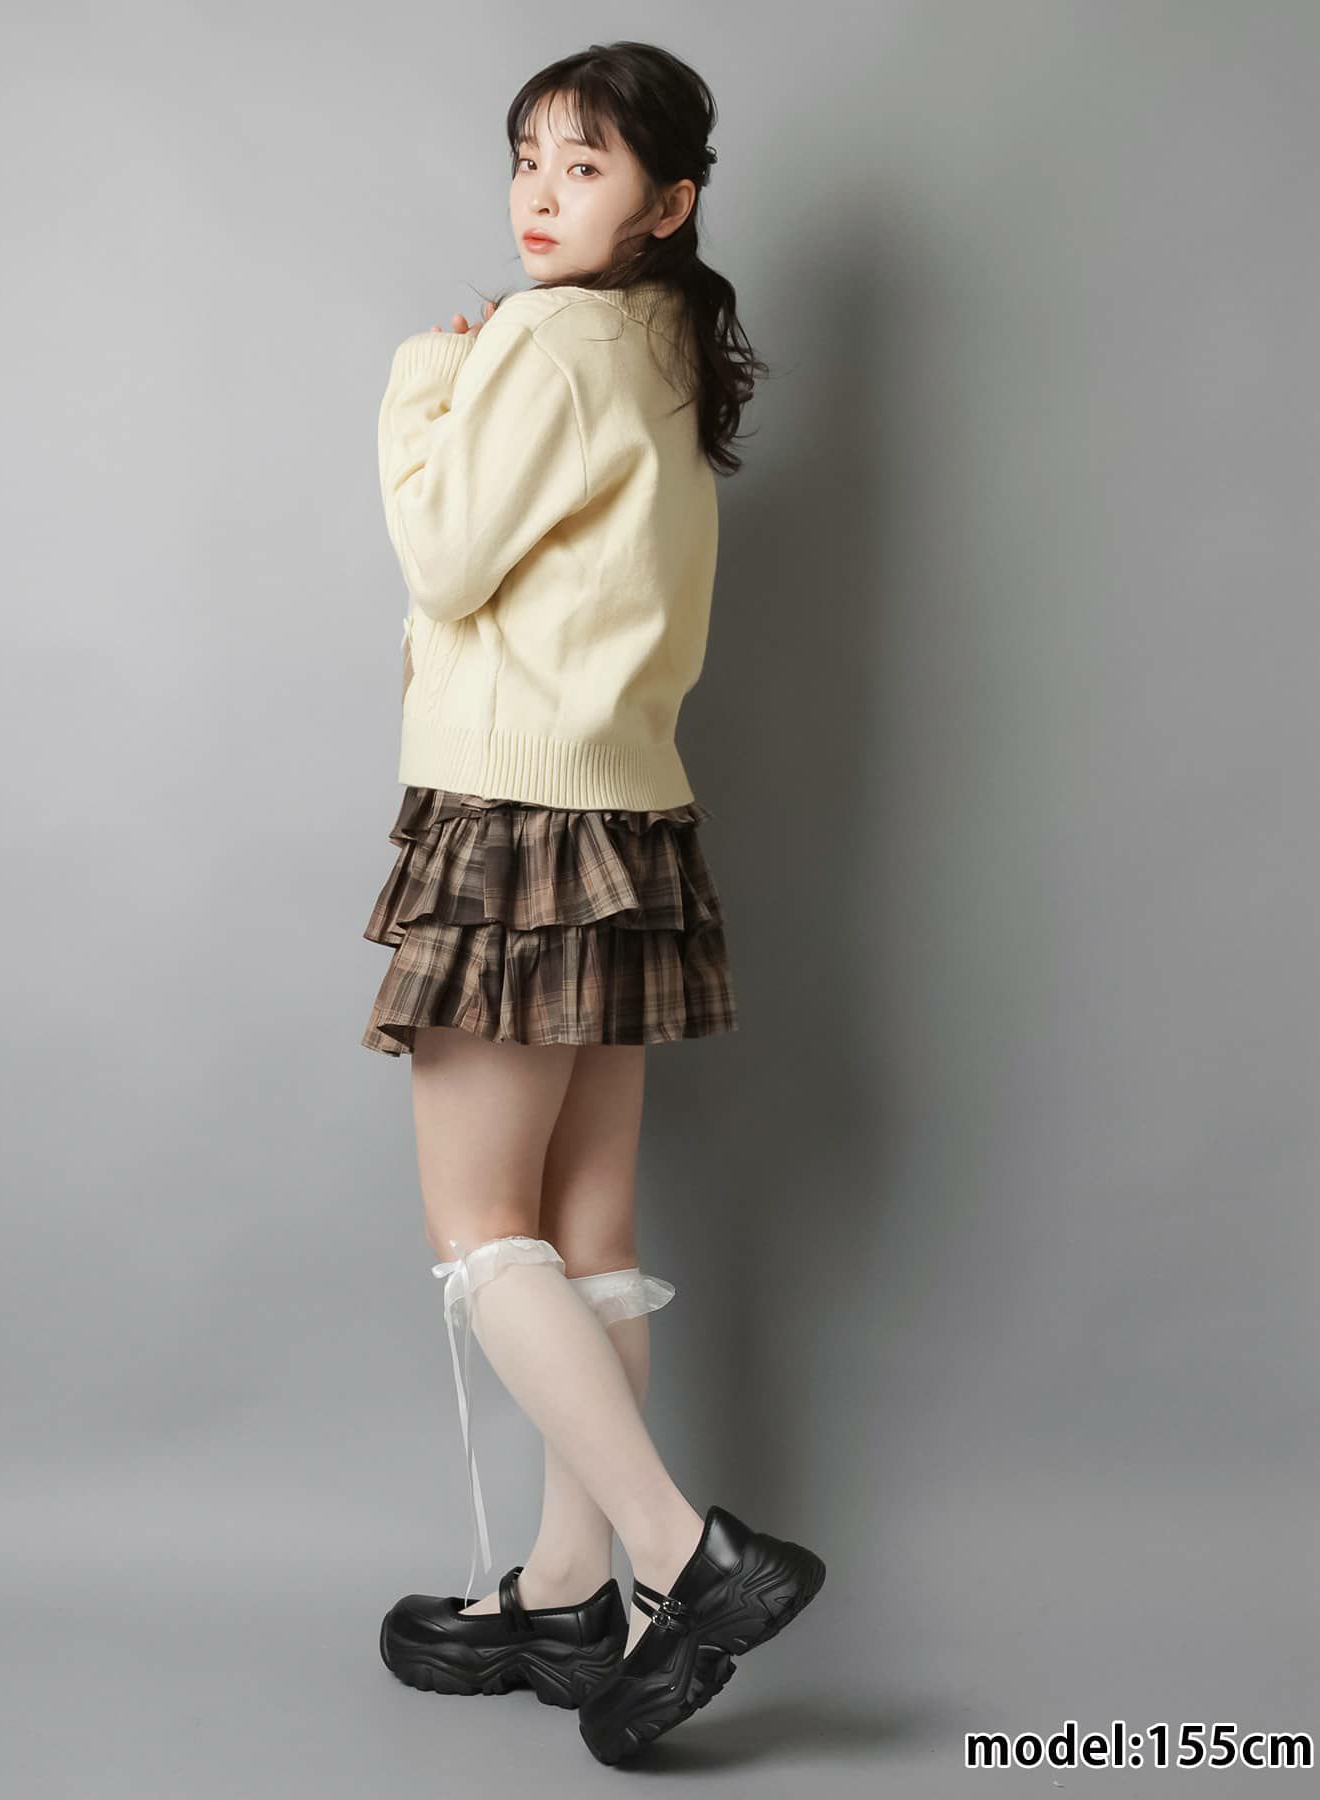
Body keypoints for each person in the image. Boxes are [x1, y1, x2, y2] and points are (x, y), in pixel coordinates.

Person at [364, 42, 825, 1764]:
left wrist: (421, 383)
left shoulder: (547, 340)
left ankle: (682, 1555)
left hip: (512, 815)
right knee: (590, 1236)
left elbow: (443, 562)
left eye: (587, 165)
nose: (543, 195)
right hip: (629, 816)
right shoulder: (664, 343)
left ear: (669, 199)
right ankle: (567, 1598)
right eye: (529, 160)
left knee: (484, 1236)